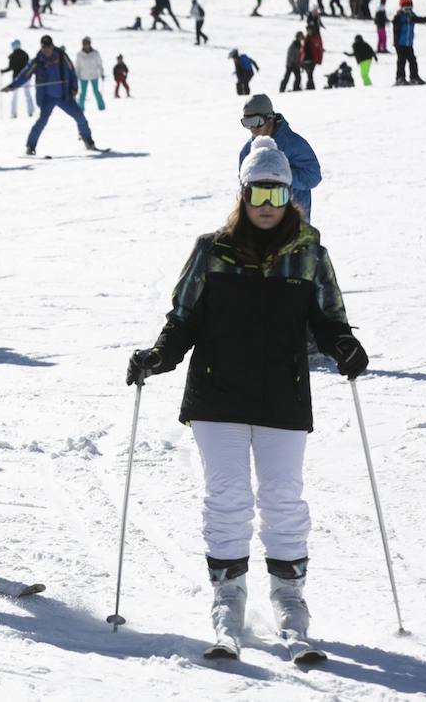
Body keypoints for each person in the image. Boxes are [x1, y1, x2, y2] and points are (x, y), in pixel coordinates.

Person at [125, 136, 367, 659]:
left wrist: (344, 344)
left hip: (282, 393)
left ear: (290, 197)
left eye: (277, 196)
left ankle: (290, 600)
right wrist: (158, 357)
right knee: (227, 497)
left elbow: (329, 318)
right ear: (243, 193)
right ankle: (228, 602)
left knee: (283, 498)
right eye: (258, 194)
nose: (266, 206)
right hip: (218, 393)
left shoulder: (308, 253)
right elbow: (183, 319)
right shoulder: (212, 249)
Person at [5, 35, 100, 155]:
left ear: (52, 46)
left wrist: (74, 88)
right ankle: (30, 147)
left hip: (64, 96)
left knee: (80, 117)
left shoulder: (61, 55)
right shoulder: (37, 61)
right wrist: (12, 86)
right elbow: (25, 75)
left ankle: (88, 140)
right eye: (44, 48)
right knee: (42, 122)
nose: (46, 51)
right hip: (47, 98)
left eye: (48, 48)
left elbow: (72, 71)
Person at [237, 94, 322, 220]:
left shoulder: (294, 144)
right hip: (259, 222)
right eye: (247, 123)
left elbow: (313, 176)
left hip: (293, 221)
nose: (252, 128)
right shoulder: (247, 151)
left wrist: (280, 175)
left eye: (257, 122)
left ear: (270, 118)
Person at [391, 0, 426, 85]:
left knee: (412, 60)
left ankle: (414, 77)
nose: (408, 10)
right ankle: (400, 78)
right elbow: (395, 24)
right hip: (400, 44)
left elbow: (419, 19)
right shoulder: (398, 16)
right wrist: (404, 21)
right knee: (401, 61)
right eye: (406, 8)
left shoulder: (412, 15)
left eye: (410, 8)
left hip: (409, 44)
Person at [0, 39, 34, 118]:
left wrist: (3, 71)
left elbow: (10, 67)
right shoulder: (25, 54)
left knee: (14, 96)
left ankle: (13, 114)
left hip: (16, 79)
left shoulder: (13, 56)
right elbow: (29, 65)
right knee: (28, 95)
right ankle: (30, 112)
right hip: (26, 78)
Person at [75, 37, 106, 111]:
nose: (85, 45)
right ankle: (81, 107)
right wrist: (76, 75)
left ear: (89, 44)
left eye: (87, 44)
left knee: (96, 91)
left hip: (94, 75)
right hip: (83, 76)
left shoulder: (95, 53)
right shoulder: (79, 54)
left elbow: (99, 64)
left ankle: (101, 106)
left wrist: (102, 73)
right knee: (83, 93)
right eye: (84, 44)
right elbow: (77, 66)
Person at [302, 24, 323, 90]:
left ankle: (310, 87)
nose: (308, 31)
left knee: (310, 74)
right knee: (309, 74)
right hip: (306, 59)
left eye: (309, 30)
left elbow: (319, 50)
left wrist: (319, 60)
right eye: (307, 30)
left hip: (312, 59)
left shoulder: (316, 37)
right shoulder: (306, 37)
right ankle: (310, 87)